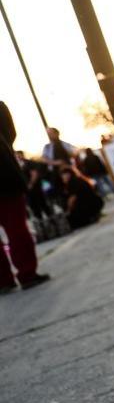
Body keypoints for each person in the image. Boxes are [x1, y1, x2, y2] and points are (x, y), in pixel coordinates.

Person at [0, 101, 51, 293]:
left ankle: (4, 280)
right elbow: (9, 134)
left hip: (5, 176)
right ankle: (27, 273)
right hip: (4, 177)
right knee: (16, 229)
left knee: (16, 229)